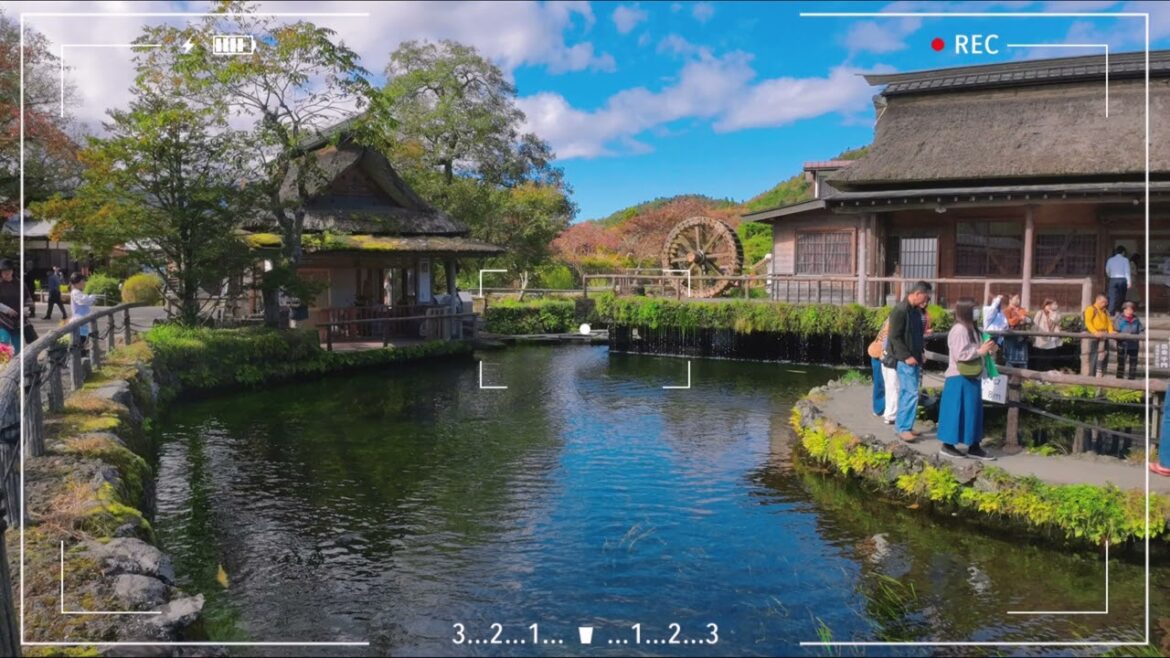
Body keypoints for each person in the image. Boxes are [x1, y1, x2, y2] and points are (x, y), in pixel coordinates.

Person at [938, 297, 999, 461]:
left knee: (972, 412)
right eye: (974, 309)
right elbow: (961, 354)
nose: (977, 312)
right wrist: (980, 351)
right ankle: (949, 445)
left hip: (973, 375)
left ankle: (973, 445)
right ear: (966, 311)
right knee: (956, 411)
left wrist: (989, 348)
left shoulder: (973, 328)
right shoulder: (959, 329)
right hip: (959, 376)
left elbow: (978, 349)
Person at [888, 281, 932, 442]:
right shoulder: (900, 310)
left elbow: (917, 335)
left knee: (908, 393)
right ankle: (903, 428)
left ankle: (904, 425)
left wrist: (921, 352)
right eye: (925, 298)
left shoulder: (915, 310)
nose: (925, 302)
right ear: (917, 294)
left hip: (914, 356)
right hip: (905, 359)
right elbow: (894, 336)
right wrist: (906, 356)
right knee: (911, 393)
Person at [0, 259, 32, 354]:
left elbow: (28, 299)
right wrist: (7, 309)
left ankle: (16, 367)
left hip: (18, 321)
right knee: (3, 344)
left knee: (17, 348)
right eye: (4, 271)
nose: (6, 273)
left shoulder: (20, 284)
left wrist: (25, 310)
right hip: (2, 321)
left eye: (9, 270)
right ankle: (3, 367)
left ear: (13, 271)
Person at [1083, 293, 1114, 377]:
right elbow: (1088, 322)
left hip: (1105, 335)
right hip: (1095, 335)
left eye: (1106, 303)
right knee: (1094, 355)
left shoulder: (1105, 311)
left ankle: (1102, 374)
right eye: (1103, 302)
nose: (1104, 304)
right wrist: (1094, 332)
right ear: (1097, 300)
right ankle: (1092, 375)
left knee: (1104, 355)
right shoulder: (1090, 309)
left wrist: (1111, 332)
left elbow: (1109, 323)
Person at [867, 319, 890, 418]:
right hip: (879, 354)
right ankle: (880, 410)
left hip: (880, 353)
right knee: (881, 383)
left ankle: (881, 409)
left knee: (881, 383)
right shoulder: (894, 320)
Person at [69, 272, 98, 351]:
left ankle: (82, 356)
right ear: (77, 282)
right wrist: (91, 298)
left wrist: (91, 299)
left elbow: (86, 301)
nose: (84, 283)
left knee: (83, 341)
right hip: (79, 321)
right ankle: (80, 359)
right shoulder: (75, 292)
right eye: (83, 281)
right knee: (80, 343)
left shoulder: (78, 292)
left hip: (83, 321)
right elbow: (83, 300)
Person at [1115, 301, 1143, 380]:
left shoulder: (1136, 319)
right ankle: (1119, 380)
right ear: (1124, 310)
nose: (1131, 311)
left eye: (1132, 309)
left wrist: (1141, 336)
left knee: (1133, 363)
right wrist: (1120, 337)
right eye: (1129, 309)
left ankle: (1131, 380)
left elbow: (1141, 329)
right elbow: (1116, 330)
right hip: (1122, 344)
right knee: (1121, 363)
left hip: (1134, 344)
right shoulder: (1119, 319)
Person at [1002, 293, 1030, 368]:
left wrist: (1022, 319)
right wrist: (1019, 318)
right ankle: (1008, 378)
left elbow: (1028, 319)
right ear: (1010, 300)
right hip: (1010, 338)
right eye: (1016, 298)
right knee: (1009, 361)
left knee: (1023, 362)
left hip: (1022, 338)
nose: (1018, 300)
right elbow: (1009, 322)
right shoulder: (1006, 310)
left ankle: (1024, 379)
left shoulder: (1022, 309)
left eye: (1019, 298)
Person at [1032, 299, 1062, 370]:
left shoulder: (1055, 314)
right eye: (1047, 305)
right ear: (1044, 305)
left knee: (1049, 357)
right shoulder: (1040, 313)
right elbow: (1034, 324)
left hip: (1051, 339)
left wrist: (1052, 314)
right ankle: (1039, 376)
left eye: (1050, 305)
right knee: (1040, 358)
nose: (1049, 307)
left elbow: (1056, 320)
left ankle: (1047, 374)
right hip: (1041, 339)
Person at [1105, 245, 1132, 315]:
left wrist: (1110, 276)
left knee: (1112, 296)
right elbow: (1127, 271)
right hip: (1123, 279)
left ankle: (1111, 311)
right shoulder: (1125, 260)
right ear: (1123, 252)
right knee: (1122, 296)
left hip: (1113, 279)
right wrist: (1129, 281)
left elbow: (1107, 270)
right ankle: (1120, 310)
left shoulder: (1110, 260)